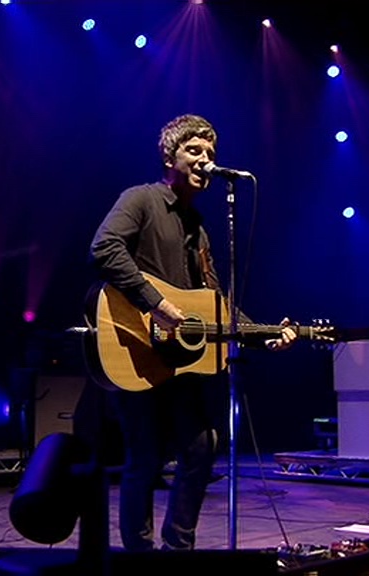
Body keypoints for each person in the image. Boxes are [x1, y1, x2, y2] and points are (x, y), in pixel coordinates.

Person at [88, 114, 297, 552]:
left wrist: (263, 333)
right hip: (138, 349)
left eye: (211, 155)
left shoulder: (198, 229)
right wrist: (156, 303)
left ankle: (177, 548)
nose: (205, 161)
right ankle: (138, 555)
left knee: (203, 446)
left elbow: (215, 304)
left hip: (183, 363)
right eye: (194, 152)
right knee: (144, 459)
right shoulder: (141, 199)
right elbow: (105, 248)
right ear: (170, 156)